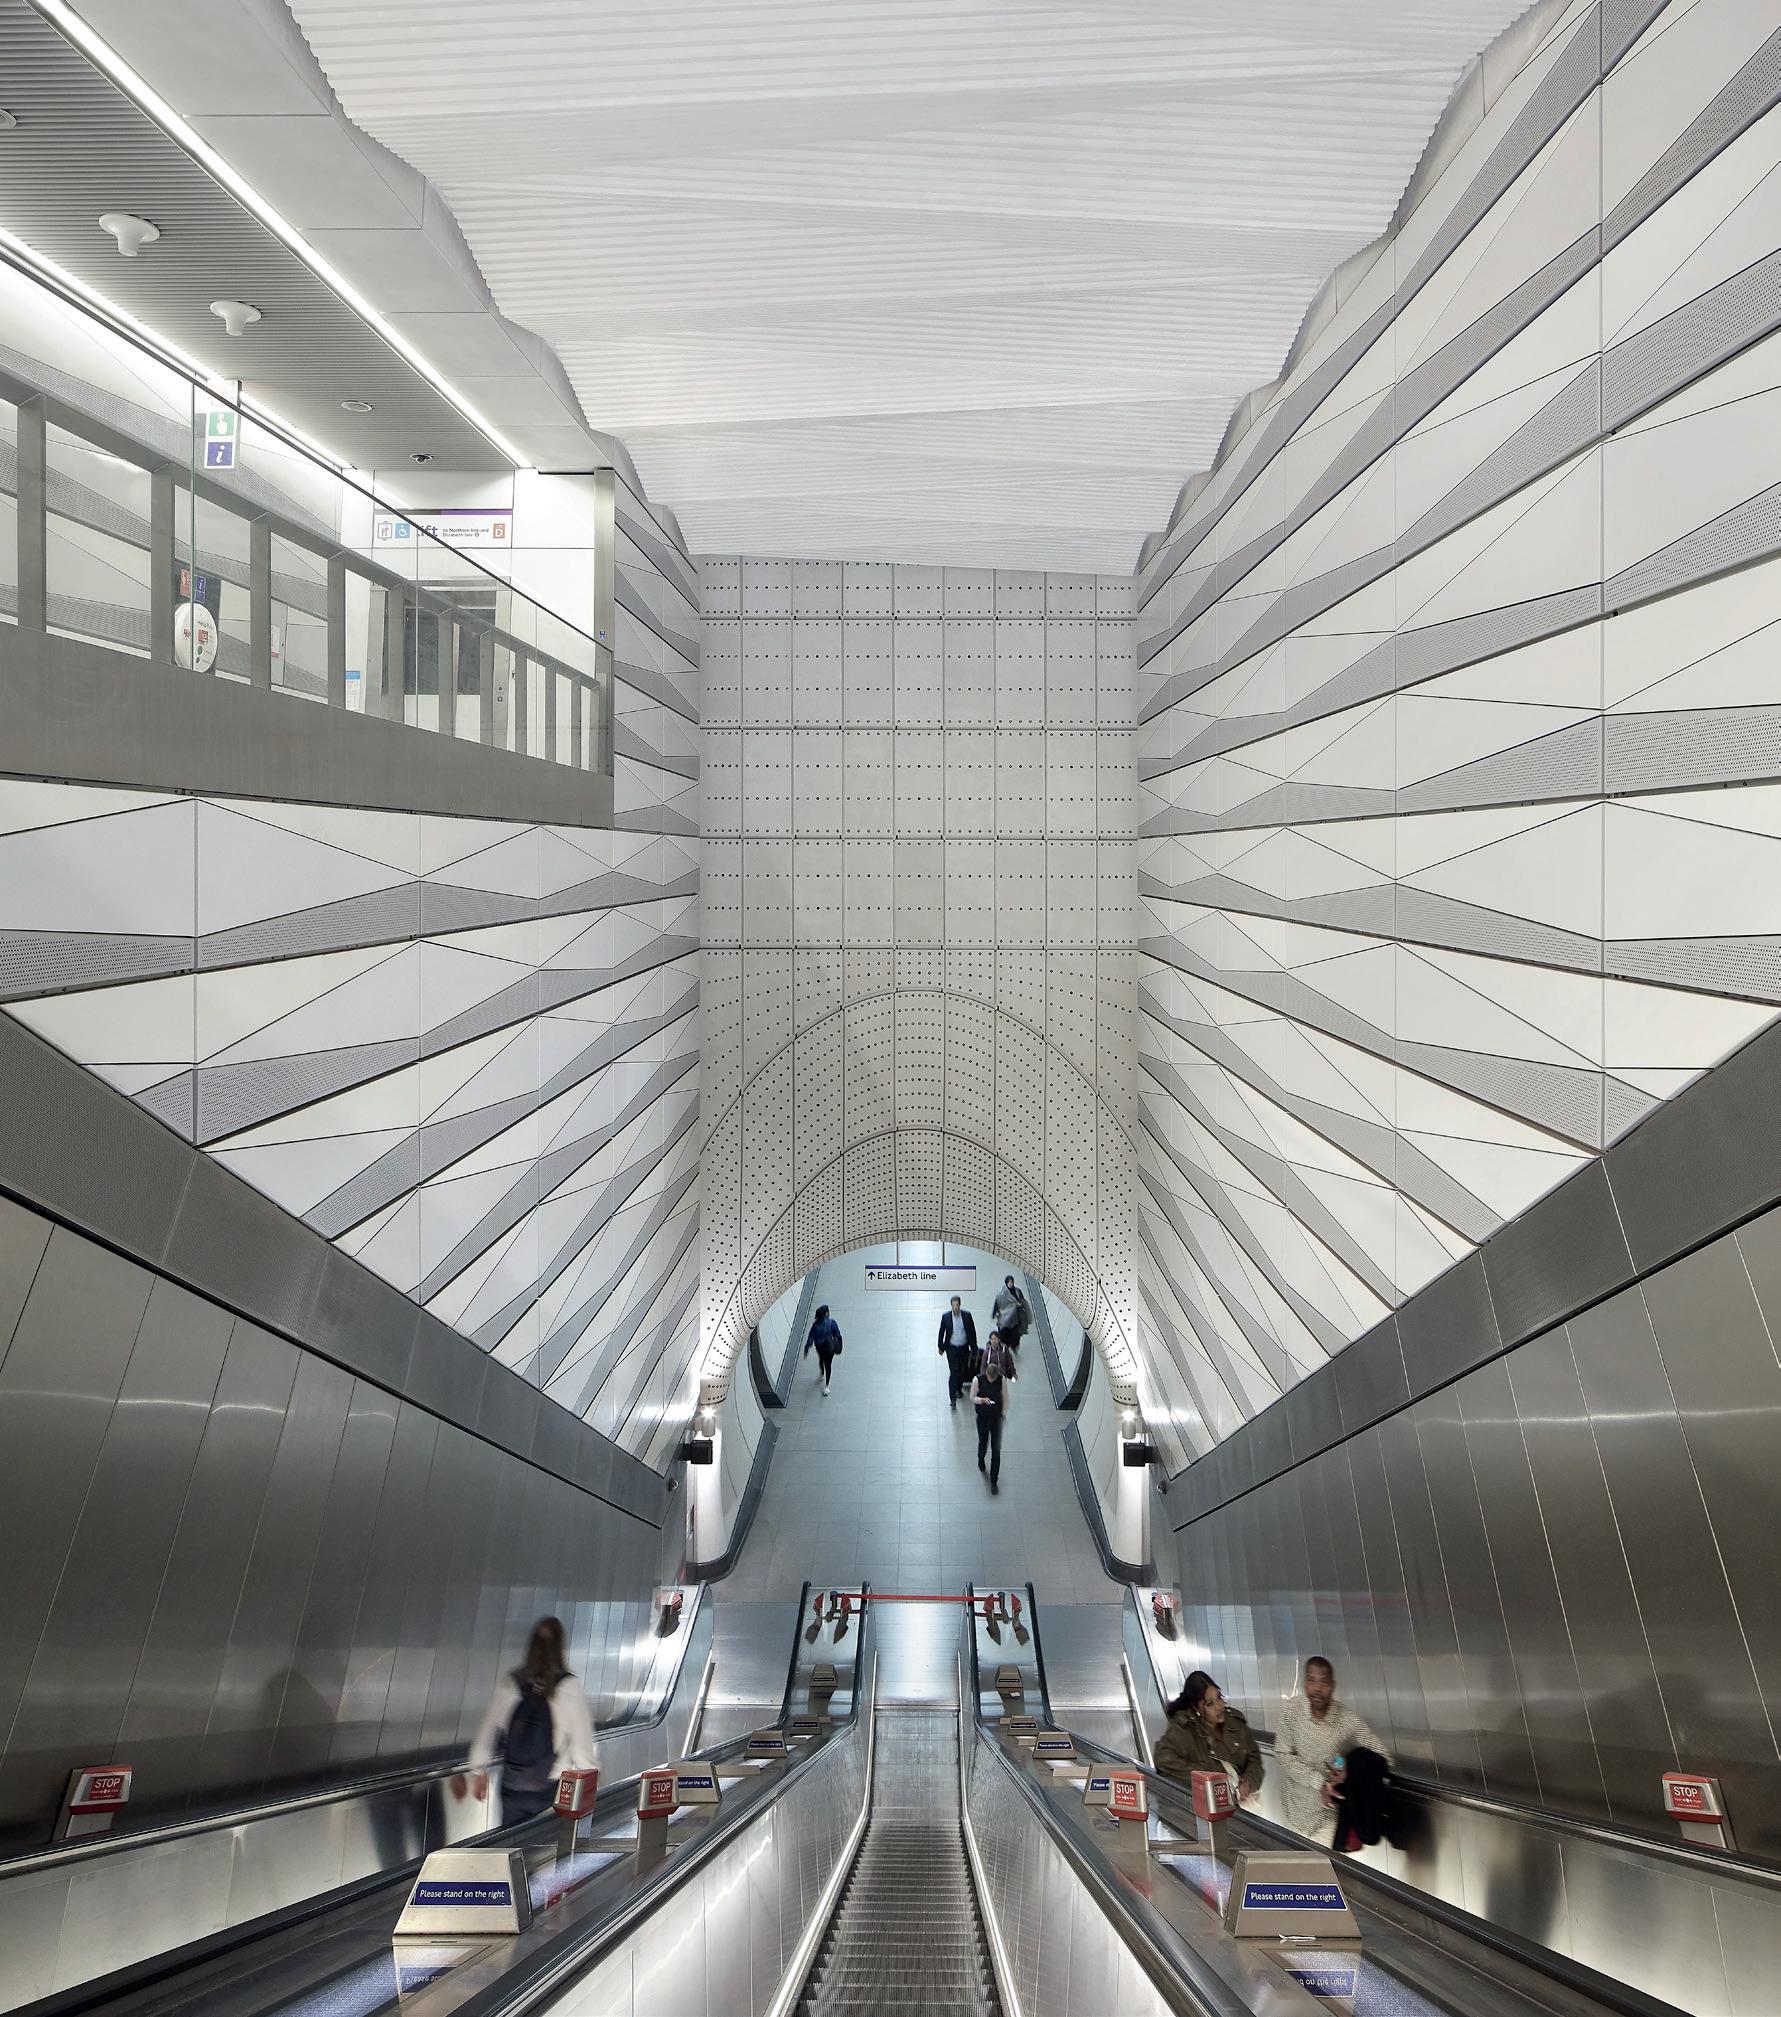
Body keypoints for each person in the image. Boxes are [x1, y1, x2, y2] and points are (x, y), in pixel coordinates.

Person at [466, 1615, 597, 1828]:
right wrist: (590, 1779)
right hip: (550, 1787)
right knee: (544, 1844)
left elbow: (487, 1731)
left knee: (511, 1842)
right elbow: (581, 1746)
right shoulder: (568, 1686)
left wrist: (478, 1770)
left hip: (512, 1787)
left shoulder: (511, 1682)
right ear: (560, 1647)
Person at [1274, 1655, 1388, 1845]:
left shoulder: (1348, 1722)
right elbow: (1282, 1754)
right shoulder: (1291, 1711)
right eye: (1311, 1681)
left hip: (1327, 1820)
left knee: (1324, 1864)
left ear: (1333, 1686)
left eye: (1323, 1682)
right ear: (1305, 1684)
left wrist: (1349, 1767)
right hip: (1292, 1812)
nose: (1317, 1689)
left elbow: (1382, 1758)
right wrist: (1318, 1782)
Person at [1153, 1670, 1263, 1802]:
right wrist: (1209, 1781)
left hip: (1243, 1802)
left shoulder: (1235, 1722)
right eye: (1210, 1704)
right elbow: (1163, 1759)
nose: (1219, 1707)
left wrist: (1249, 1782)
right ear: (1196, 1708)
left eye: (1219, 1698)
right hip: (1209, 1804)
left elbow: (1253, 1757)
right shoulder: (1184, 1728)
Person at [971, 1330, 1016, 1494]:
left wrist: (1003, 1413)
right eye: (989, 1378)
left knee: (996, 1450)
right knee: (983, 1441)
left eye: (993, 1378)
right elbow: (972, 1397)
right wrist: (980, 1400)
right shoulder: (978, 1379)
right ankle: (980, 1457)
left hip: (996, 1418)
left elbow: (1005, 1398)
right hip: (982, 1417)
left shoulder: (1001, 1380)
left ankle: (994, 1480)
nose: (991, 1380)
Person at [937, 1294, 978, 1410]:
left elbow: (972, 1331)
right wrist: (941, 1347)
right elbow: (941, 1332)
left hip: (964, 1347)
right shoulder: (946, 1317)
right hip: (952, 1348)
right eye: (953, 1305)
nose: (955, 1307)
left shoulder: (966, 1316)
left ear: (960, 1305)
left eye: (957, 1305)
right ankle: (952, 1398)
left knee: (962, 1370)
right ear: (951, 1306)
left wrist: (974, 1348)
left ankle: (958, 1388)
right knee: (954, 1372)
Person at [804, 1302, 843, 1394]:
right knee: (828, 1365)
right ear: (826, 1313)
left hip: (820, 1348)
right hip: (829, 1348)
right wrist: (839, 1343)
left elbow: (811, 1337)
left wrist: (806, 1348)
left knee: (821, 1359)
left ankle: (821, 1373)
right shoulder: (831, 1323)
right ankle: (827, 1386)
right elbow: (837, 1334)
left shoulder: (815, 1325)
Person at [992, 1275, 1030, 1351]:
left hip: (1015, 1319)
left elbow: (1022, 1301)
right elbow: (997, 1304)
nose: (1011, 1284)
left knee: (1015, 1336)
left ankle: (1014, 1347)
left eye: (1012, 1282)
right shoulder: (1001, 1295)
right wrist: (994, 1314)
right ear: (1006, 1283)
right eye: (1009, 1282)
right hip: (1004, 1319)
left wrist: (1020, 1304)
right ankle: (1005, 1349)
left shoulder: (1017, 1292)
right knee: (1004, 1336)